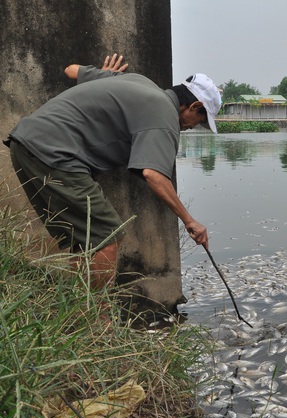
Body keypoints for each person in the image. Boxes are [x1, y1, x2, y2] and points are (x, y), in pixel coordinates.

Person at [4, 54, 222, 289]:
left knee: (84, 240)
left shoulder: (136, 81)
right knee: (107, 237)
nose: (191, 127)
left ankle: (81, 308)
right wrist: (190, 221)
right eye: (199, 121)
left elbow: (71, 69)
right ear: (194, 106)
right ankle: (100, 318)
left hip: (26, 144)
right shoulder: (164, 115)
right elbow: (154, 174)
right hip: (56, 154)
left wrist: (104, 77)